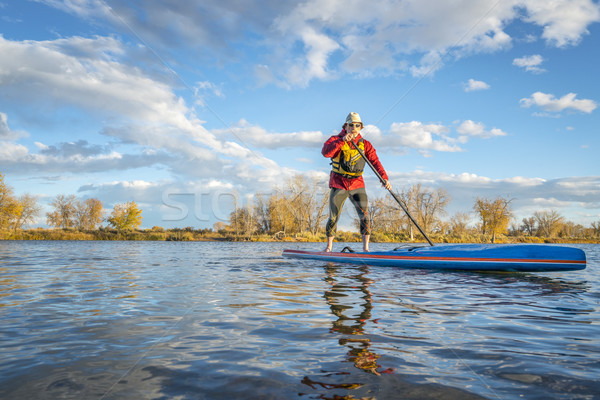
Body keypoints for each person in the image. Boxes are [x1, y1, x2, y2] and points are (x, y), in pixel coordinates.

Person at [322, 112, 391, 252]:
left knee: (365, 215)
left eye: (357, 125)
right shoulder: (335, 139)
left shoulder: (365, 145)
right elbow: (326, 153)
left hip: (357, 185)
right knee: (333, 216)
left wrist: (384, 178)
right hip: (338, 184)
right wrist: (342, 141)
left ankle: (366, 249)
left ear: (360, 127)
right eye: (351, 125)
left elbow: (375, 162)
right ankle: (329, 248)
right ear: (346, 126)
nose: (354, 127)